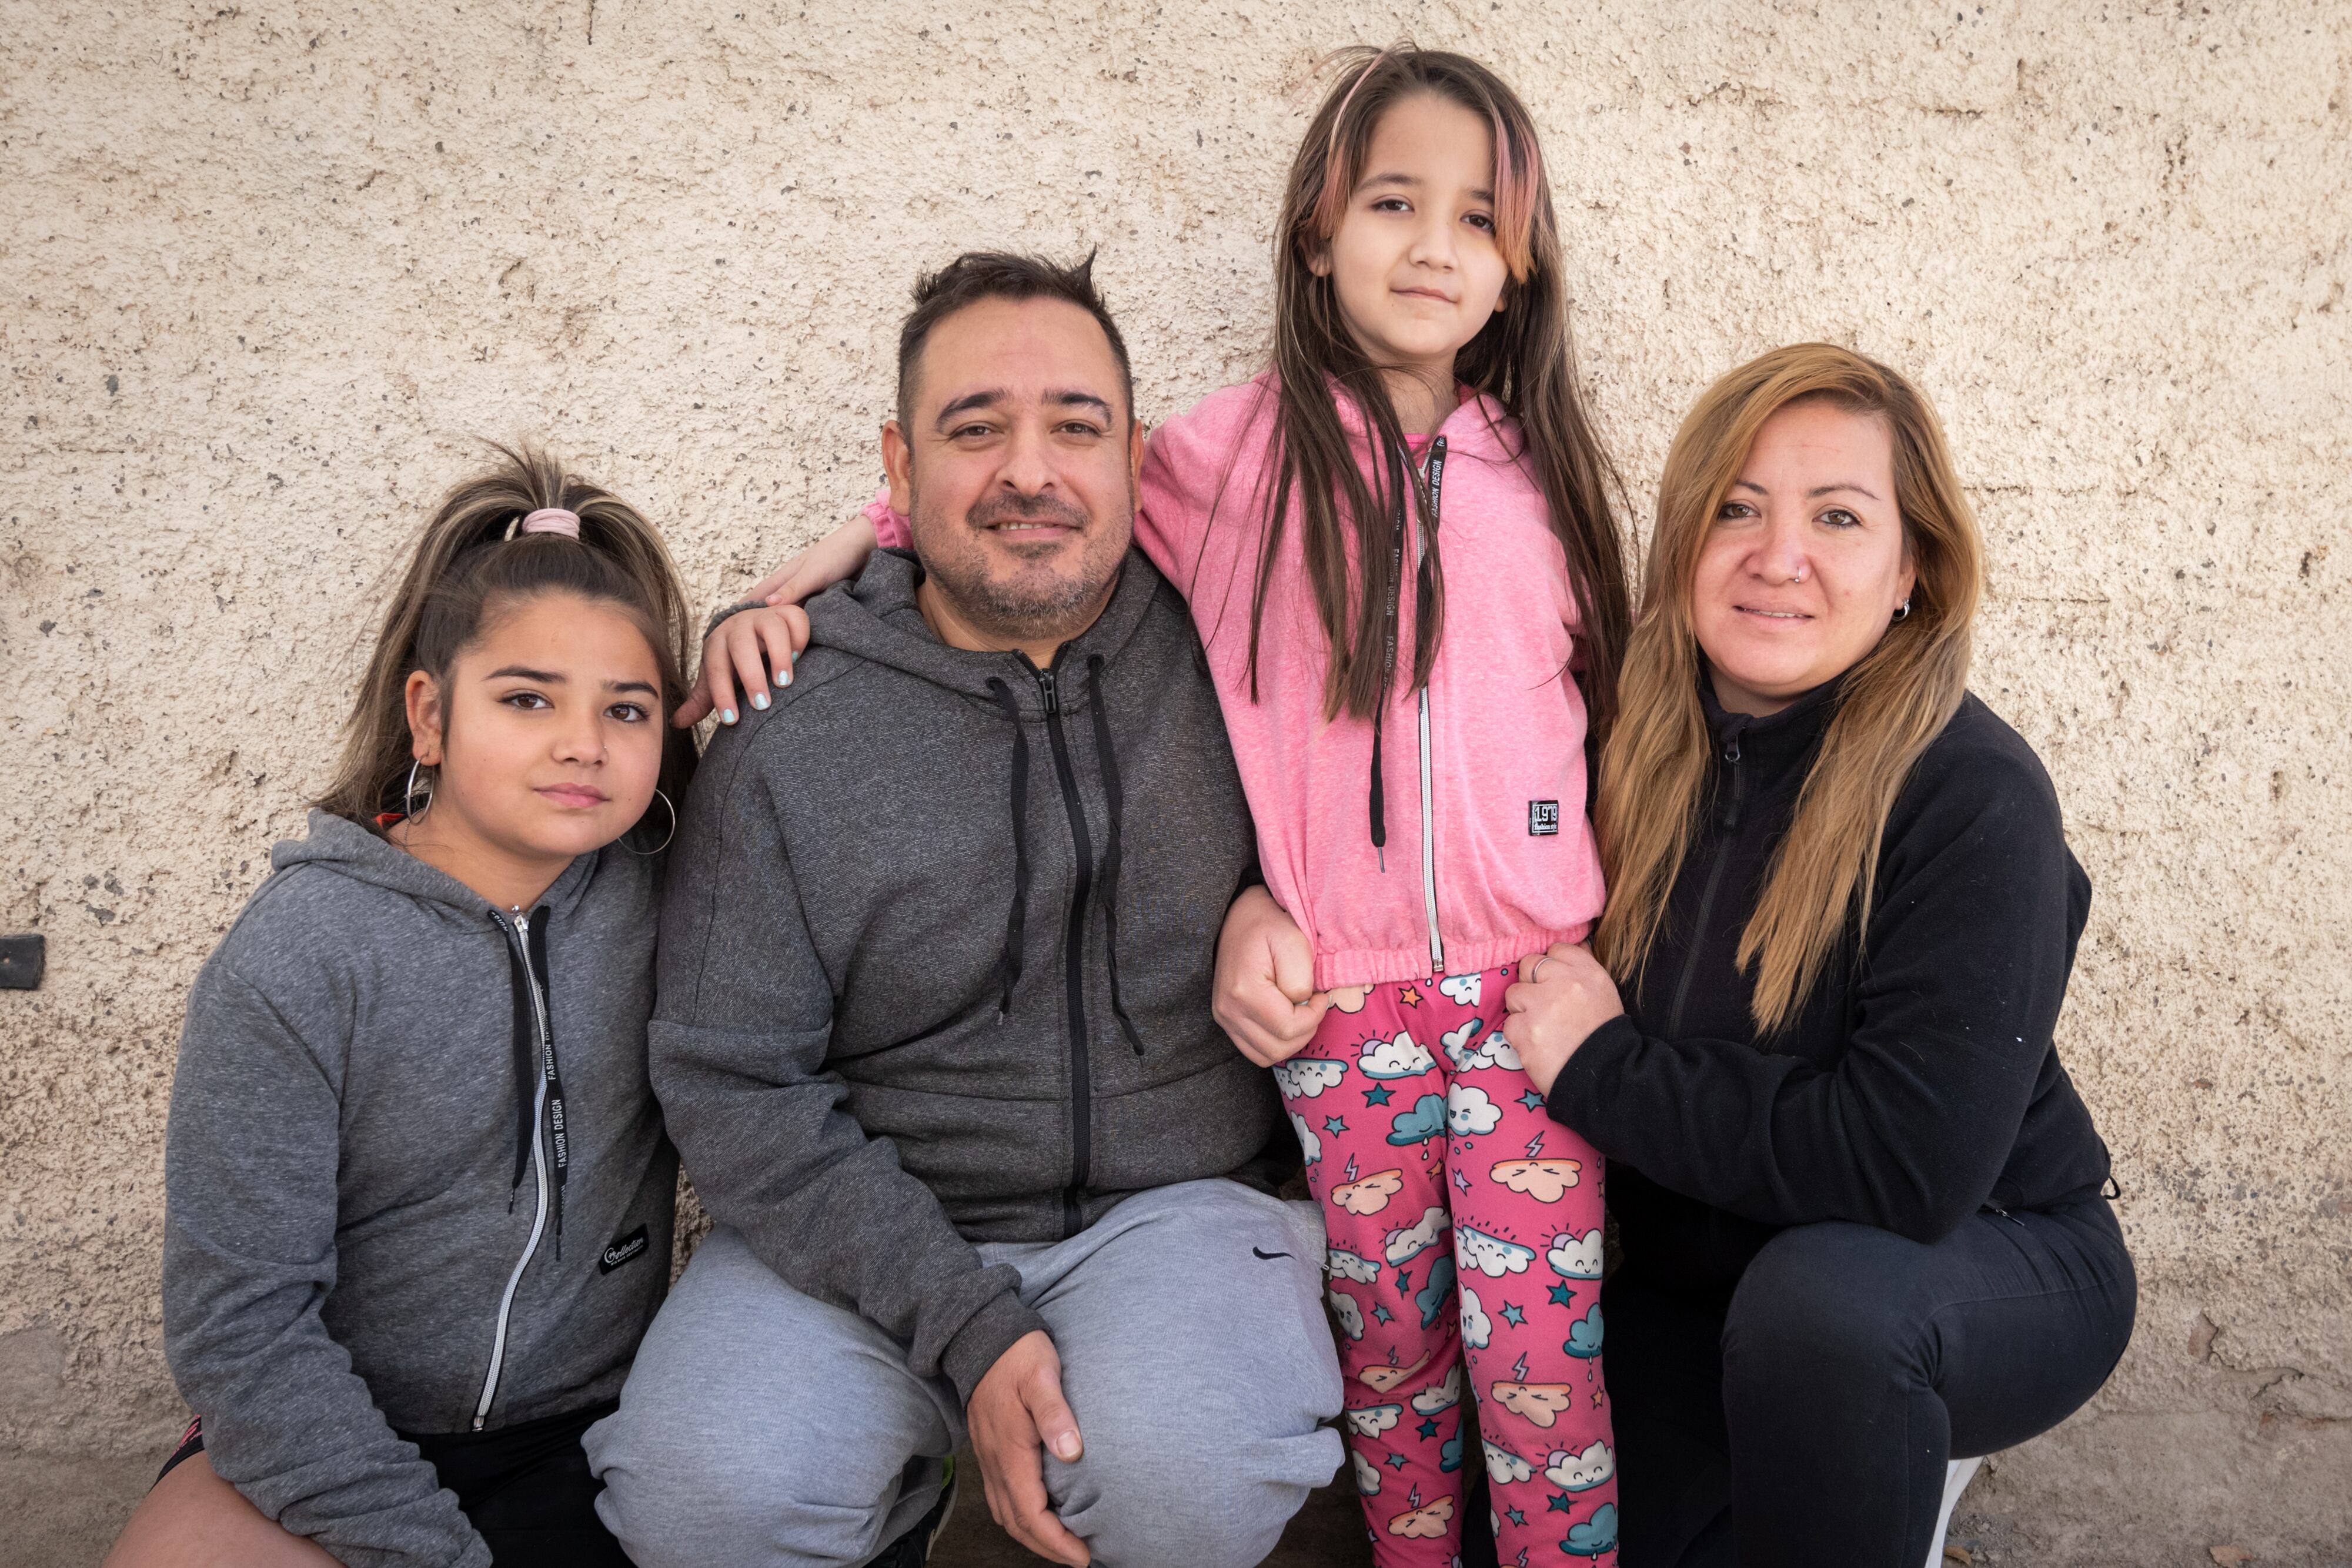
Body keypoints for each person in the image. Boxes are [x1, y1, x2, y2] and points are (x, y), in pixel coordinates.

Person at [706, 48, 1632, 1566]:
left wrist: (1603, 948)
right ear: (1318, 230)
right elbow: (1029, 490)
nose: (1432, 245)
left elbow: (1606, 718)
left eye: (1476, 218)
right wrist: (814, 566)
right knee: (1390, 1368)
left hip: (1533, 999)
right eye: (1394, 200)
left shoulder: (1547, 474)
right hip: (1338, 1011)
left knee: (1542, 1370)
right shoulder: (1226, 454)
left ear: (1516, 269)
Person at [583, 251, 1345, 1568]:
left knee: (1187, 1466)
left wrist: (1260, 902)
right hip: (866, 1226)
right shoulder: (788, 720)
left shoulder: (1237, 647)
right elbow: (729, 1078)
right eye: (973, 428)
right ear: (896, 464)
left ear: (1137, 455)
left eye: (1073, 425)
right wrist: (964, 1322)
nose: (1029, 471)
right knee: (702, 1496)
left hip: (1173, 1206)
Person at [1496, 344, 2136, 1567]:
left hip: (1977, 1262)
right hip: (1705, 1290)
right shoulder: (1615, 748)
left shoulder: (1970, 794)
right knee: (1518, 1514)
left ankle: (1884, 1456)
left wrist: (1604, 1072)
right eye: (1734, 507)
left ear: (1910, 570)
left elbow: (1906, 1166)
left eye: (1836, 516)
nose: (1774, 555)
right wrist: (1265, 911)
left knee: (1827, 1317)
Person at [104, 447, 706, 1568]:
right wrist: (423, 1549)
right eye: (527, 698)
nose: (583, 743)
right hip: (330, 1438)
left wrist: (822, 582)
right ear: (429, 716)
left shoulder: (678, 892)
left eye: (626, 709)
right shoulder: (304, 953)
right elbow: (241, 1329)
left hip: (588, 1432)